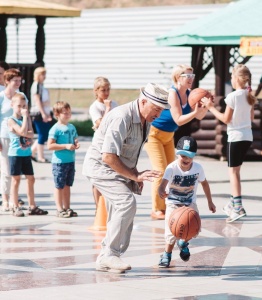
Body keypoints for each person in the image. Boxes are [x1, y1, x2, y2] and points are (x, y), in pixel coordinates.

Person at [82, 82, 169, 273]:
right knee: (126, 203)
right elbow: (108, 156)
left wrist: (133, 176)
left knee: (120, 211)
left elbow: (129, 152)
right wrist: (135, 176)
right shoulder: (122, 117)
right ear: (143, 101)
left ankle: (107, 256)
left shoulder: (146, 120)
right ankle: (109, 255)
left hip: (116, 168)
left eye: (162, 110)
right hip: (101, 167)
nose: (159, 114)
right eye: (157, 109)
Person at [144, 64, 209, 220]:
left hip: (168, 136)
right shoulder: (173, 93)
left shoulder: (189, 94)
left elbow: (198, 117)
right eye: (188, 76)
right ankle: (157, 209)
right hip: (154, 134)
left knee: (172, 171)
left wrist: (206, 106)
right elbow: (179, 120)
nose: (191, 79)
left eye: (192, 76)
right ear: (178, 77)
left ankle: (169, 205)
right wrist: (194, 112)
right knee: (160, 170)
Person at [201, 64, 256, 223]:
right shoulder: (248, 95)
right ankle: (233, 203)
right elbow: (251, 118)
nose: (231, 80)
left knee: (233, 173)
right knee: (236, 171)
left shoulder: (233, 96)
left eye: (232, 77)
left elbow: (226, 119)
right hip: (247, 136)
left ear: (237, 79)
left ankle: (237, 207)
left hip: (236, 137)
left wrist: (210, 107)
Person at [157, 136, 216, 268]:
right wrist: (161, 190)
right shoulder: (171, 168)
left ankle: (183, 243)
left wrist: (210, 202)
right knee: (170, 232)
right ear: (178, 153)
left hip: (189, 204)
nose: (185, 159)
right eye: (182, 155)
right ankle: (167, 255)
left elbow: (205, 184)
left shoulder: (198, 168)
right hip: (173, 203)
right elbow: (163, 184)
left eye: (189, 156)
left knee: (194, 229)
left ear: (194, 156)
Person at [7, 93, 48, 217]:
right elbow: (23, 131)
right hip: (15, 154)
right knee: (16, 180)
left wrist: (26, 120)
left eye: (24, 106)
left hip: (26, 153)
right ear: (12, 105)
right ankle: (14, 206)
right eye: (19, 106)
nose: (22, 108)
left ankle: (32, 206)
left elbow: (30, 134)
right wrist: (25, 118)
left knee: (31, 178)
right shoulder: (11, 120)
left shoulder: (26, 117)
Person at [0, 68, 28, 211]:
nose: (18, 83)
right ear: (7, 81)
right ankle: (5, 199)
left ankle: (14, 199)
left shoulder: (22, 96)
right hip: (4, 136)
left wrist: (28, 135)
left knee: (16, 170)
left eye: (19, 80)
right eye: (15, 80)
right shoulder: (1, 97)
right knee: (6, 169)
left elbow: (26, 116)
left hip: (19, 137)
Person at [89, 77, 118, 210]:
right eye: (103, 90)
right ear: (96, 91)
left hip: (112, 143)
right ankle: (98, 207)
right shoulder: (95, 107)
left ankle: (109, 205)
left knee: (111, 175)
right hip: (100, 144)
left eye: (108, 89)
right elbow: (101, 124)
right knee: (97, 177)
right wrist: (107, 108)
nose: (106, 93)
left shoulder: (115, 104)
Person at [47, 101, 80, 218]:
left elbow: (75, 138)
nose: (68, 115)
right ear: (57, 115)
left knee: (67, 185)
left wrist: (76, 143)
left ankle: (67, 207)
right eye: (65, 113)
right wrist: (65, 146)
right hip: (59, 162)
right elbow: (50, 145)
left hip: (70, 161)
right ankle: (59, 208)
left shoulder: (71, 127)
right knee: (59, 186)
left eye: (69, 113)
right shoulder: (55, 129)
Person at [30, 67, 52, 163]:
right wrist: (43, 113)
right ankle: (40, 156)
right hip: (38, 113)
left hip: (44, 112)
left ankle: (31, 152)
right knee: (42, 134)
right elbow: (37, 100)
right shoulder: (36, 85)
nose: (44, 77)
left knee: (45, 134)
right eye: (42, 74)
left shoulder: (41, 85)